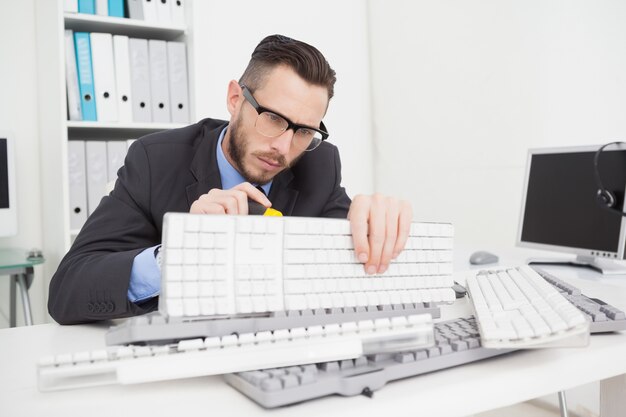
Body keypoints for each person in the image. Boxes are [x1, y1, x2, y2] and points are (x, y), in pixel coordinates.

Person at [48, 34, 412, 324]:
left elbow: (347, 271)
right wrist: (181, 254)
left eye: (303, 131)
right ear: (235, 98)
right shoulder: (155, 160)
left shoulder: (319, 163)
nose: (284, 147)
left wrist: (372, 230)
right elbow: (67, 291)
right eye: (272, 118)